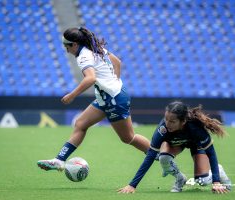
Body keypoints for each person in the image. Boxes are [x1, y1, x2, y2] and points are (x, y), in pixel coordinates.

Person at [37, 27, 150, 171]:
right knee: (80, 124)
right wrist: (114, 81)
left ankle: (160, 156)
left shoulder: (84, 56)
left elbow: (90, 78)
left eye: (67, 47)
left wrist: (72, 95)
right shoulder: (96, 48)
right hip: (107, 97)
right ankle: (59, 160)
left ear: (75, 45)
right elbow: (118, 63)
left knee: (128, 138)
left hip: (114, 99)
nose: (67, 51)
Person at [118, 101, 231, 194]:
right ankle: (180, 179)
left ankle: (219, 171)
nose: (167, 124)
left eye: (172, 121)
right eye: (166, 119)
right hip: (175, 144)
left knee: (203, 181)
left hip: (196, 145)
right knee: (163, 158)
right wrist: (132, 185)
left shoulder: (195, 128)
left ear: (183, 121)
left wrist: (216, 181)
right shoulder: (162, 130)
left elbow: (211, 153)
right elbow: (150, 156)